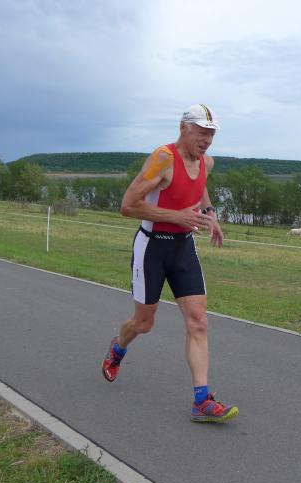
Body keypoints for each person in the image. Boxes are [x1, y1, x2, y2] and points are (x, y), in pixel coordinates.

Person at [101, 104, 238, 423]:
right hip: (152, 247)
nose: (207, 140)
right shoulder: (163, 158)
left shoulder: (206, 162)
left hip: (183, 248)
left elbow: (200, 186)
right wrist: (177, 217)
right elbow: (127, 205)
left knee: (199, 321)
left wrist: (210, 215)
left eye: (212, 134)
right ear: (183, 128)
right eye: (202, 132)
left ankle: (201, 401)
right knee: (144, 324)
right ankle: (118, 348)